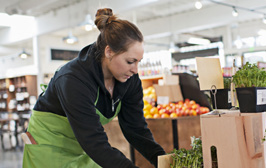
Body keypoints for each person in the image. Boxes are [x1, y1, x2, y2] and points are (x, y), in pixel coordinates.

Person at [23, 8, 165, 168]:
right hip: (48, 145)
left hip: (81, 146)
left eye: (139, 61)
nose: (135, 69)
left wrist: (163, 160)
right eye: (130, 61)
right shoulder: (73, 80)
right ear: (109, 52)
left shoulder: (129, 79)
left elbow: (136, 128)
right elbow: (94, 142)